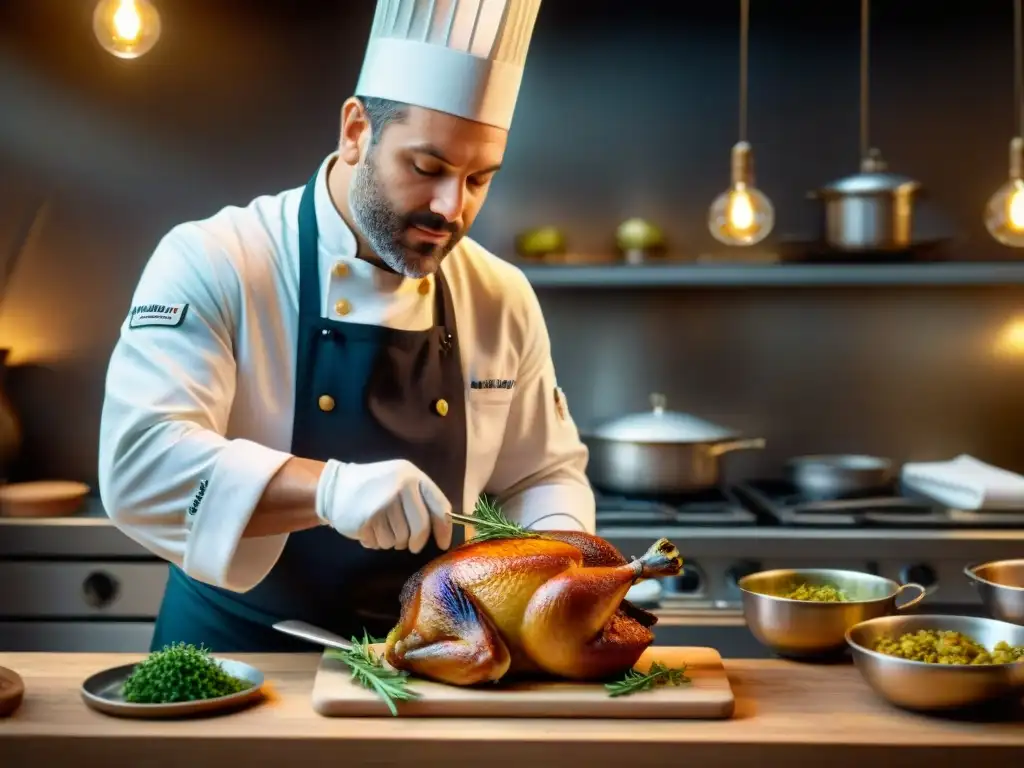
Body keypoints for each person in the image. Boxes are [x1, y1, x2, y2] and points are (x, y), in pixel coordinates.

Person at [97, 0, 595, 653]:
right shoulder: (217, 259)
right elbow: (139, 465)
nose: (453, 207)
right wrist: (332, 489)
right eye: (427, 168)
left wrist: (561, 581)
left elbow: (541, 475)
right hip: (233, 658)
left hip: (435, 664)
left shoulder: (500, 295)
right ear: (357, 131)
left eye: (479, 179)